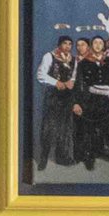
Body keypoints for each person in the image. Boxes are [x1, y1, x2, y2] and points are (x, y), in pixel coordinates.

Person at [75, 35, 109, 169]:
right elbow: (78, 84)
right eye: (95, 43)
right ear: (92, 45)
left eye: (100, 43)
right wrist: (78, 103)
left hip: (106, 101)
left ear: (104, 46)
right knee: (89, 131)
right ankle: (89, 159)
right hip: (90, 100)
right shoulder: (83, 63)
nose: (98, 45)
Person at [37, 35, 78, 168]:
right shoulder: (49, 56)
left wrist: (72, 82)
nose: (68, 46)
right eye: (65, 43)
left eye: (70, 44)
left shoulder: (74, 59)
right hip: (53, 95)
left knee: (65, 128)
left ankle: (62, 157)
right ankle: (43, 157)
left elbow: (74, 75)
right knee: (49, 126)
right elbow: (41, 75)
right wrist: (56, 82)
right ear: (59, 44)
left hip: (67, 96)